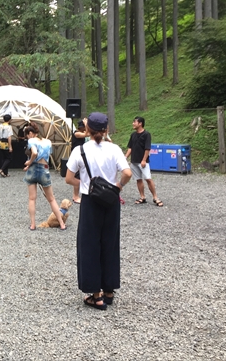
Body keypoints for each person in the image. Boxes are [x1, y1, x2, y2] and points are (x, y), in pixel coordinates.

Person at [65, 112, 132, 310]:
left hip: (90, 201)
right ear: (106, 129)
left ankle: (96, 295)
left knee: (90, 245)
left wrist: (87, 184)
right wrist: (118, 186)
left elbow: (68, 178)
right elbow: (127, 173)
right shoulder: (114, 149)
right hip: (111, 201)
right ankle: (109, 290)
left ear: (87, 129)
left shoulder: (80, 150)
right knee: (110, 243)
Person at [23, 123, 66, 231]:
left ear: (31, 133)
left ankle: (33, 225)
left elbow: (34, 153)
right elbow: (46, 156)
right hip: (44, 169)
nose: (27, 137)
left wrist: (29, 163)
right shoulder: (48, 141)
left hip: (32, 170)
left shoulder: (31, 140)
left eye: (27, 135)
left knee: (32, 198)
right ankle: (62, 224)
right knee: (51, 199)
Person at [124, 116, 164, 207]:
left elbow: (147, 148)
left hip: (143, 162)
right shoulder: (133, 135)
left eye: (134, 122)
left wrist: (144, 160)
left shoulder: (146, 134)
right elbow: (130, 148)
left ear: (140, 123)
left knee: (148, 179)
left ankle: (155, 197)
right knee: (138, 179)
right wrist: (125, 157)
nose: (133, 123)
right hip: (134, 161)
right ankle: (142, 197)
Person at [68, 119, 87, 204]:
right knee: (77, 177)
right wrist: (86, 124)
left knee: (80, 175)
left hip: (81, 155)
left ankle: (77, 195)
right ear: (81, 127)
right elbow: (88, 134)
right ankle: (75, 196)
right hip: (76, 156)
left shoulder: (81, 132)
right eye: (84, 127)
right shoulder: (76, 133)